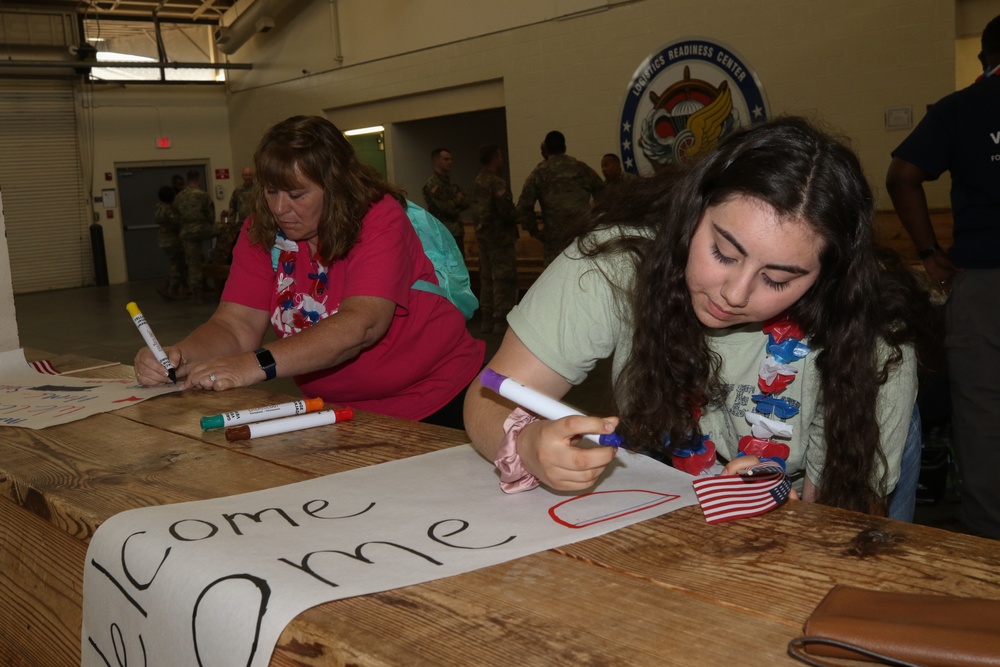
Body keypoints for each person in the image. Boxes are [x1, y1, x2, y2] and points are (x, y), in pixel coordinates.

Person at [465, 117, 931, 518]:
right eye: (723, 252)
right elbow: (490, 394)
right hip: (676, 461)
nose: (734, 293)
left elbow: (839, 520)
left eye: (777, 280)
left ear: (826, 276)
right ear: (693, 210)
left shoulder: (870, 334)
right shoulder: (614, 262)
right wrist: (525, 445)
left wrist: (793, 522)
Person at [135, 115, 485, 429]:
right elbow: (235, 324)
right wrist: (181, 356)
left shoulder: (378, 217)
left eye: (297, 194)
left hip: (439, 401)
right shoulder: (263, 229)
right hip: (336, 411)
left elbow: (361, 325)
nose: (280, 208)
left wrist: (254, 365)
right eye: (271, 191)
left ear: (336, 187)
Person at [885, 14, 1000, 538]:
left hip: (985, 281)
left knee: (981, 418)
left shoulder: (961, 109)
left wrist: (930, 251)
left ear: (984, 59)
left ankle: (986, 546)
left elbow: (903, 175)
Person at [516, 130, 604, 265]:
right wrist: (594, 223)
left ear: (547, 148)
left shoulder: (539, 173)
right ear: (564, 147)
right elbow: (604, 195)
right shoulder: (582, 168)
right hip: (581, 236)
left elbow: (524, 206)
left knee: (555, 279)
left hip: (554, 241)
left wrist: (535, 232)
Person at [470, 144, 519, 336]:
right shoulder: (497, 183)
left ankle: (487, 319)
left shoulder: (475, 183)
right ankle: (501, 321)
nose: (502, 161)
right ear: (495, 159)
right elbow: (507, 213)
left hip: (483, 239)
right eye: (500, 157)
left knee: (486, 280)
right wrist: (520, 212)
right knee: (503, 280)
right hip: (500, 239)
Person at [173, 169, 216, 302]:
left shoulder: (179, 196)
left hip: (186, 232)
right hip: (201, 229)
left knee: (193, 261)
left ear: (187, 179)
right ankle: (219, 254)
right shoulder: (203, 195)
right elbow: (211, 215)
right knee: (224, 230)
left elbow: (175, 217)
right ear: (198, 179)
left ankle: (197, 290)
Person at [422, 148, 470, 252]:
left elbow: (467, 201)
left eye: (451, 159)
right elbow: (446, 209)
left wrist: (456, 201)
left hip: (456, 232)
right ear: (436, 162)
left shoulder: (451, 182)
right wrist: (458, 200)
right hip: (443, 233)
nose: (450, 162)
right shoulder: (433, 185)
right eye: (446, 159)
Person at [153, 185, 187, 301]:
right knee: (177, 264)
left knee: (175, 263)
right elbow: (177, 222)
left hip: (163, 240)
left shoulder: (159, 207)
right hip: (172, 240)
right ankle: (170, 288)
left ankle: (169, 287)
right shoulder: (168, 209)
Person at [222, 166, 254, 262]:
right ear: (242, 176)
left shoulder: (258, 189)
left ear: (253, 176)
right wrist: (231, 223)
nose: (247, 177)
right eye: (245, 175)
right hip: (241, 224)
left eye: (249, 175)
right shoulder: (238, 190)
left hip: (256, 224)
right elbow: (232, 207)